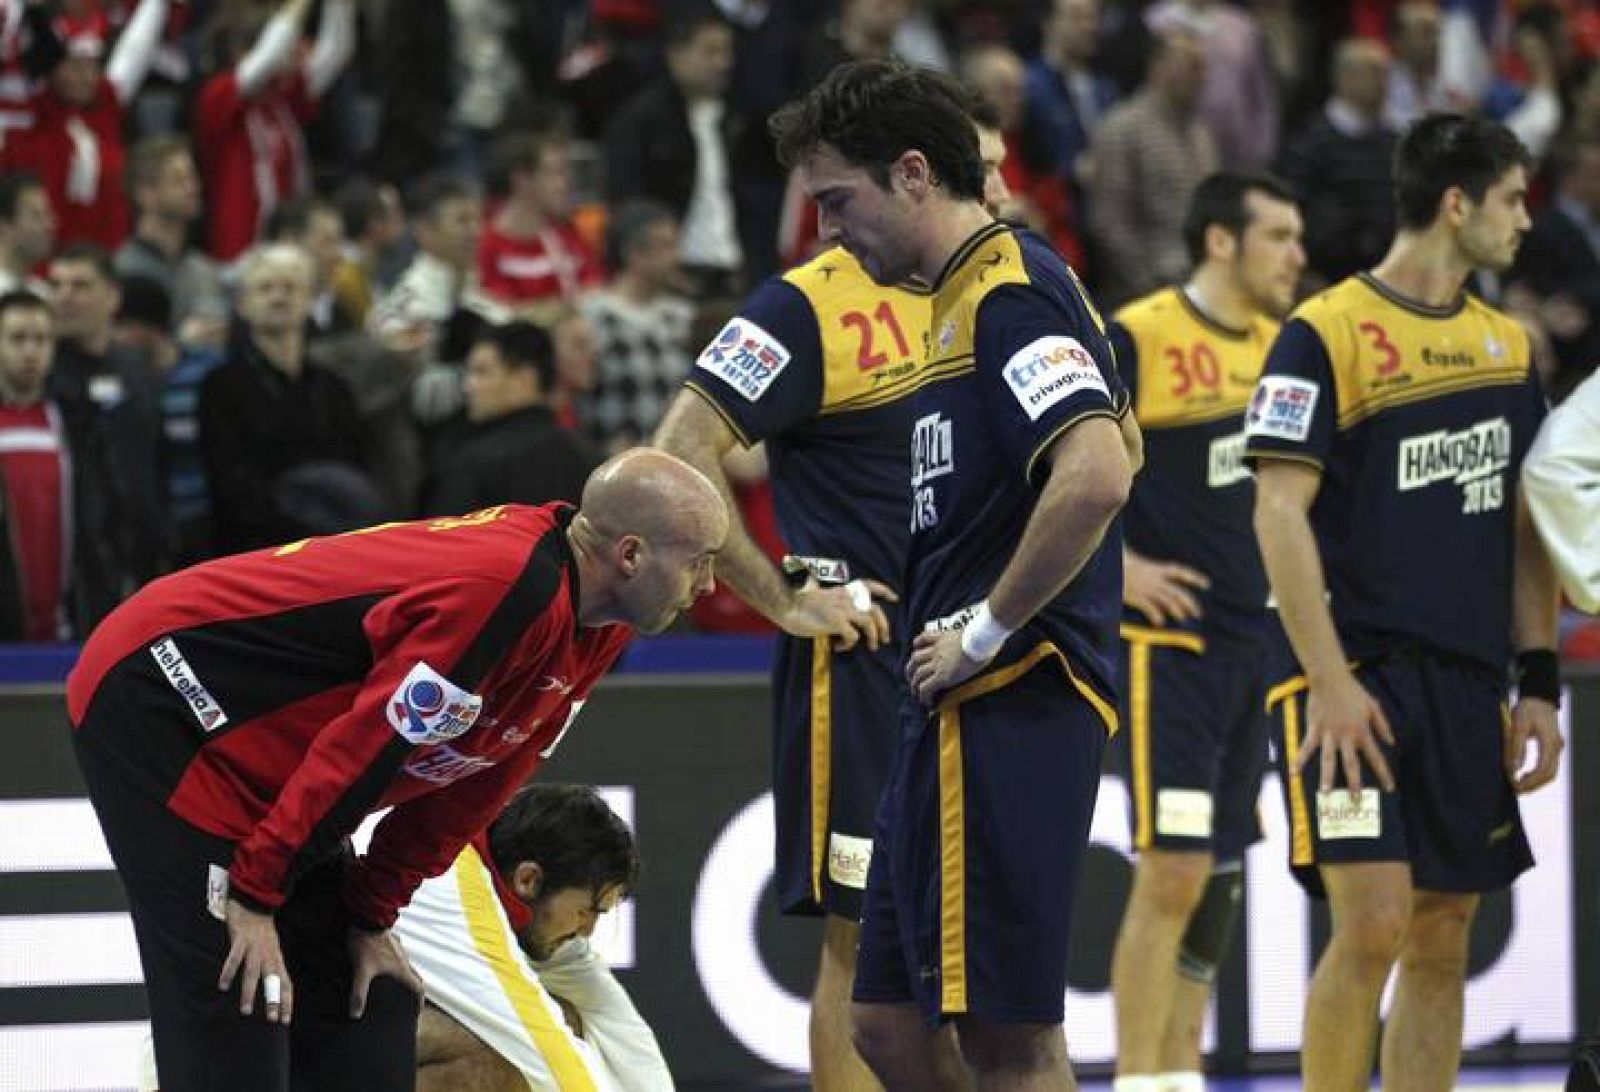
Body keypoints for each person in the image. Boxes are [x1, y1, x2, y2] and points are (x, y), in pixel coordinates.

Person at [67, 447, 727, 1091]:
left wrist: (372, 913)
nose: (711, 586)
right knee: (245, 1010)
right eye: (701, 563)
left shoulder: (599, 627)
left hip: (277, 763)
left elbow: (479, 781)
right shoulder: (507, 590)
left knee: (373, 1006)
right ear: (631, 554)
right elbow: (366, 745)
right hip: (168, 701)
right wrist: (255, 892)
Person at [770, 60, 1138, 1089]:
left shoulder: (1005, 290)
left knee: (1006, 1039)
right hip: (942, 706)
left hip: (1010, 694)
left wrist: (987, 626)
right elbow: (1123, 444)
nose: (830, 234)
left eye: (839, 202)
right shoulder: (950, 304)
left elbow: (1098, 471)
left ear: (917, 174)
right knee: (883, 1022)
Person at [654, 99, 1015, 1091]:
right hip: (865, 669)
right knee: (867, 954)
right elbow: (677, 450)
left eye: (997, 173)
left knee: (961, 960)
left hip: (980, 661)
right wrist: (783, 600)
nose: (1003, 194)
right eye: (986, 172)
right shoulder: (800, 305)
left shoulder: (1002, 299)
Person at [1244, 113, 1563, 1092]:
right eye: (1512, 199)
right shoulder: (1323, 330)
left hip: (1465, 684)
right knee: (1374, 921)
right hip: (1351, 680)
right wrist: (1328, 681)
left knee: (1440, 931)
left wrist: (1538, 680)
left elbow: (1527, 531)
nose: (1525, 221)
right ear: (1456, 203)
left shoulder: (1509, 350)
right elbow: (1277, 516)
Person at [1104, 172, 1303, 1092]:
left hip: (1254, 646)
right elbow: (1060, 467)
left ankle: (1180, 1070)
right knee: (1175, 868)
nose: (1297, 256)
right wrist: (1120, 571)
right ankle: (1141, 1075)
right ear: (1221, 241)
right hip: (1169, 654)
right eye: (1278, 237)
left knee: (1222, 873)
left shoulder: (1284, 349)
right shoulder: (1139, 334)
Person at [399, 783, 673, 1091]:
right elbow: (547, 1053)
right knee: (495, 1054)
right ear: (528, 879)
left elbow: (617, 1025)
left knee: (572, 1020)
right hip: (337, 1036)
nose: (588, 931)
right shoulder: (448, 892)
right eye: (586, 911)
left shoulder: (517, 897)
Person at [422, 320, 598, 516]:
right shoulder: (589, 457)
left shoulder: (476, 462)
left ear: (525, 377)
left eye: (481, 372)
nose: (468, 386)